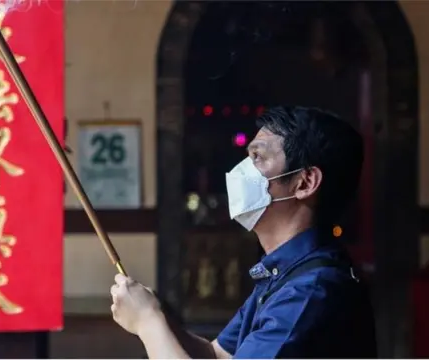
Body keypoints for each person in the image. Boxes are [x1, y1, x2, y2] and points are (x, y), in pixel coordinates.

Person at [109, 106, 378, 358]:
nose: (241, 171)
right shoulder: (283, 272)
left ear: (305, 182)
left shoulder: (309, 290)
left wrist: (147, 321)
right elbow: (217, 354)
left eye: (257, 157)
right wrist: (159, 316)